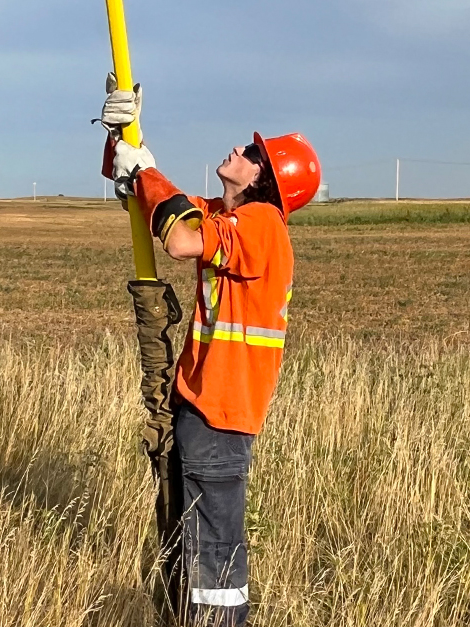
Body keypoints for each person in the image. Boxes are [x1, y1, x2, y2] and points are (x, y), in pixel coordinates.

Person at [101, 78, 321, 626]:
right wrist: (122, 138)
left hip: (221, 416)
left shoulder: (261, 224)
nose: (240, 150)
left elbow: (177, 239)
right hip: (202, 409)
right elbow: (158, 203)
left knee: (213, 558)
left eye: (253, 154)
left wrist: (143, 167)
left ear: (264, 180)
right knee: (187, 547)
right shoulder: (229, 223)